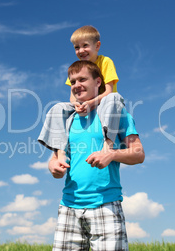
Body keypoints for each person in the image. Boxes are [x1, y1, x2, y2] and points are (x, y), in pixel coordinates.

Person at [44, 61, 145, 251]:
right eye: (73, 81)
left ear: (98, 82)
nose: (76, 84)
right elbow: (54, 159)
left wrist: (112, 154)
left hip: (105, 206)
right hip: (68, 208)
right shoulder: (68, 119)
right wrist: (53, 166)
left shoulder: (116, 113)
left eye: (82, 79)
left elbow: (138, 153)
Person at [38, 25, 124, 164]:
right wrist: (77, 104)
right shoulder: (77, 68)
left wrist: (91, 103)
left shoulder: (105, 62)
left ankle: (107, 145)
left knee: (114, 98)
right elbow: (73, 96)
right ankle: (60, 152)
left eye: (85, 45)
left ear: (97, 46)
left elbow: (109, 91)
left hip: (104, 104)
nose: (81, 50)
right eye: (77, 47)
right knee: (58, 108)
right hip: (84, 105)